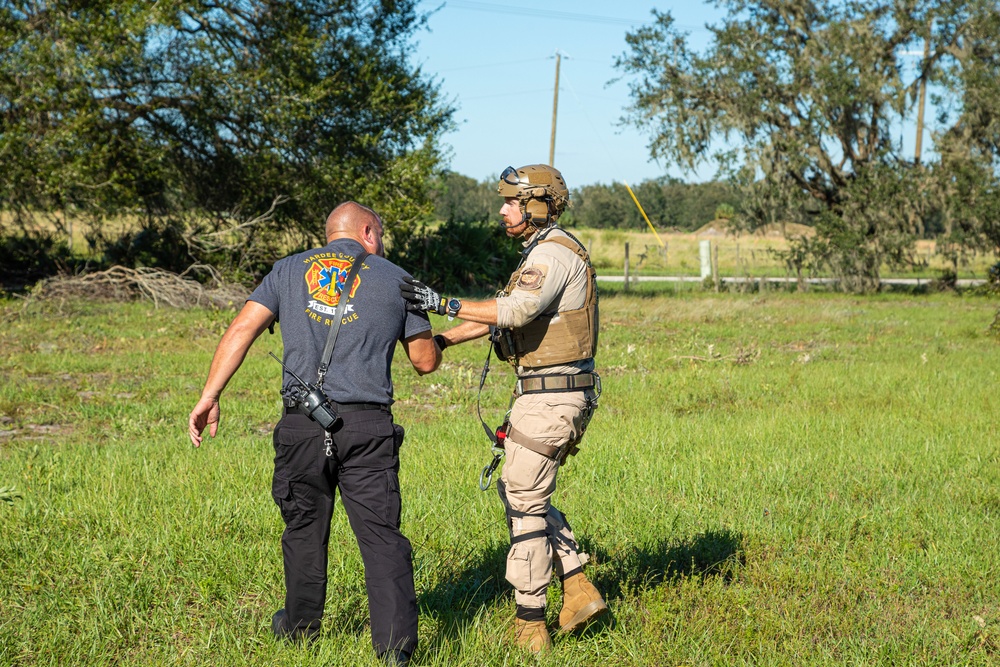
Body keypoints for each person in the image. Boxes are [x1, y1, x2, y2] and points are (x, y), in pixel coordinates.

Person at [188, 201, 439, 667]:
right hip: (368, 425)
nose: (379, 243)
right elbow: (424, 361)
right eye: (378, 234)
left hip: (302, 423)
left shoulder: (287, 270)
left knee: (303, 528)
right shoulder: (398, 277)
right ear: (368, 231)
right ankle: (395, 651)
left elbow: (243, 327)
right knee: (382, 536)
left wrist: (210, 394)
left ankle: (300, 631)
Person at [399, 164, 607, 653]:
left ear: (538, 205)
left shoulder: (552, 254)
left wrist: (441, 302)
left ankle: (531, 626)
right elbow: (503, 307)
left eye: (512, 201)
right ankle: (577, 585)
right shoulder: (544, 252)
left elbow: (514, 312)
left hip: (551, 396)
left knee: (524, 503)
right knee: (522, 492)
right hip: (545, 393)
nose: (503, 209)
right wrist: (444, 340)